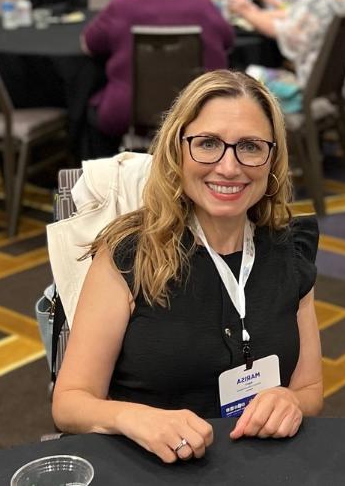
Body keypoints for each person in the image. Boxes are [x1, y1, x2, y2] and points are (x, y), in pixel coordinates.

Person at [52, 70, 323, 463]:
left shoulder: (291, 250)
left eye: (249, 146)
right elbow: (70, 403)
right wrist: (134, 418)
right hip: (153, 467)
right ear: (177, 150)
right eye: (208, 143)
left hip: (262, 465)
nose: (229, 168)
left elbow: (310, 389)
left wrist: (289, 400)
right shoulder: (130, 254)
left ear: (272, 159)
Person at [81, 0, 236, 157]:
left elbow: (89, 44)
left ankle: (107, 178)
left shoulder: (121, 6)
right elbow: (228, 40)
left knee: (91, 109)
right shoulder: (201, 2)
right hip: (201, 106)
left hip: (128, 112)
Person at [226, 0, 345, 110]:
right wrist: (253, 10)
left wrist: (244, 11)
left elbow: (287, 35)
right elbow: (292, 15)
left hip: (333, 85)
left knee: (245, 80)